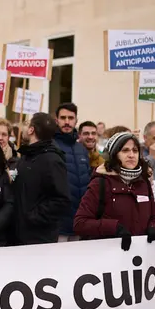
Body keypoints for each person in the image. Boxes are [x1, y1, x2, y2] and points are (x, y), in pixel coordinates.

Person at [74, 132, 155, 251]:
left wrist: (154, 227)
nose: (131, 155)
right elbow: (80, 223)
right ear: (115, 154)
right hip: (107, 256)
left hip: (139, 257)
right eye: (125, 150)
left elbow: (153, 216)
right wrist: (114, 227)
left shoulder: (143, 182)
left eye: (135, 151)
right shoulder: (100, 182)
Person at [13, 113, 71, 245]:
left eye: (27, 124)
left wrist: (31, 217)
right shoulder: (27, 156)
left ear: (31, 130)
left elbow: (61, 200)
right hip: (20, 234)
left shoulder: (52, 160)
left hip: (39, 237)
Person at [53, 102, 91, 242]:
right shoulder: (51, 146)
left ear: (76, 120)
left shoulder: (81, 149)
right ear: (56, 120)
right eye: (63, 118)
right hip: (59, 222)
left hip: (78, 221)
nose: (67, 122)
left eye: (71, 118)